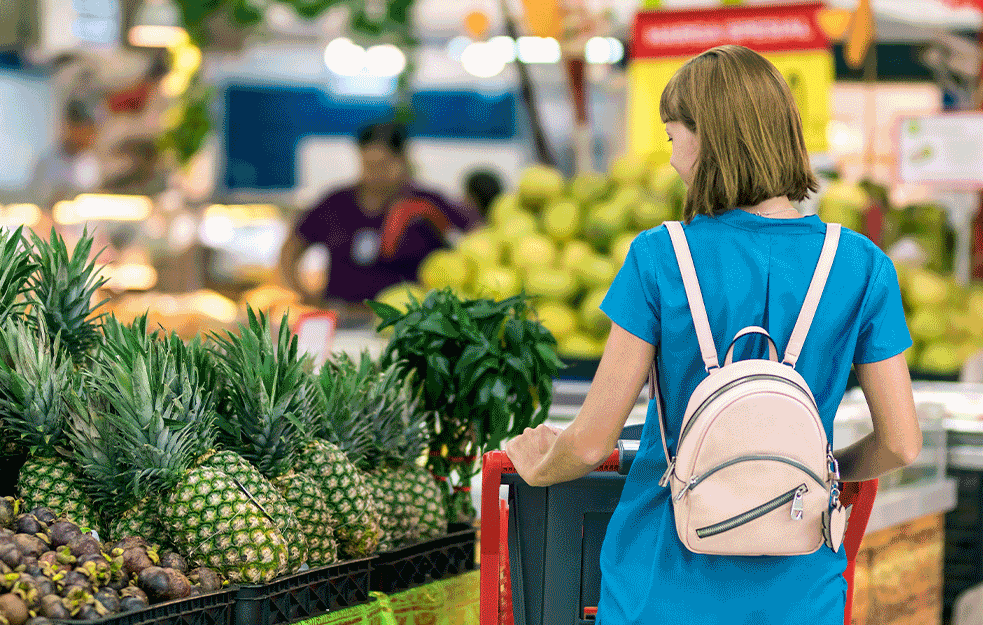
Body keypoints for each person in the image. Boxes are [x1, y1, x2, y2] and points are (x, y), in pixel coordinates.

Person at [505, 45, 922, 624]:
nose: (672, 160)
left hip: (662, 580)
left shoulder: (660, 258)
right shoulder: (861, 265)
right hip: (800, 587)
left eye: (674, 138)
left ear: (709, 141)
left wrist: (537, 464)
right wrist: (813, 472)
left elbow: (587, 441)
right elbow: (901, 444)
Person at [278, 122, 481, 316]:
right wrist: (305, 296)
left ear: (403, 160)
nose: (374, 174)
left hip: (410, 323)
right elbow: (291, 249)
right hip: (343, 318)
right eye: (368, 165)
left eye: (383, 165)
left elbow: (477, 238)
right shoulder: (335, 204)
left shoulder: (427, 204)